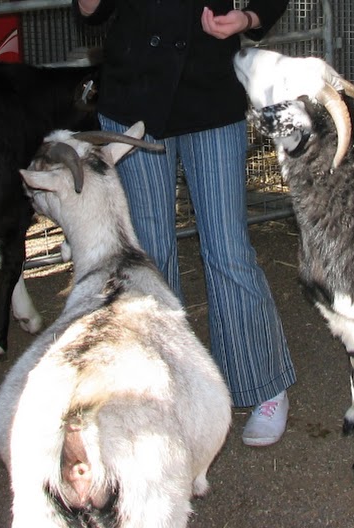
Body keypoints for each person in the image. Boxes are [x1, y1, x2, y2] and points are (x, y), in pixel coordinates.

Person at [74, 0, 296, 446]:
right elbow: (91, 13)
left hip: (209, 93)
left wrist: (249, 18)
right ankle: (164, 390)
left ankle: (262, 382)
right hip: (135, 97)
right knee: (151, 256)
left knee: (228, 247)